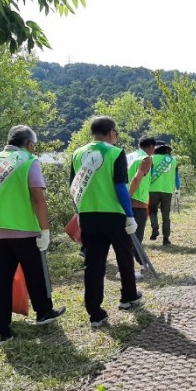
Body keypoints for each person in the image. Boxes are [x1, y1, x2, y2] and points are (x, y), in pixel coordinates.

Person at [0, 125, 66, 344]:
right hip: (24, 229)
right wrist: (45, 229)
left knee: (2, 281)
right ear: (29, 144)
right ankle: (44, 313)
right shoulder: (28, 160)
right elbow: (37, 197)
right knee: (35, 273)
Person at [70, 116, 143, 327]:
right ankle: (128, 297)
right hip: (114, 216)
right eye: (116, 132)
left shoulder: (77, 153)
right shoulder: (115, 152)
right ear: (111, 132)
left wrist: (80, 213)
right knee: (124, 257)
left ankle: (95, 313)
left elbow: (73, 188)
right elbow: (121, 186)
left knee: (93, 265)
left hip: (89, 217)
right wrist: (130, 215)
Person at [126, 135, 157, 276]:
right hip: (137, 203)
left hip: (122, 202)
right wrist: (128, 196)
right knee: (136, 238)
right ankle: (143, 265)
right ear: (151, 147)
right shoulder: (146, 159)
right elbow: (137, 178)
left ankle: (134, 265)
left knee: (127, 237)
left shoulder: (129, 157)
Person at [148, 141, 180, 245]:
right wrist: (178, 188)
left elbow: (150, 174)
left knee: (152, 211)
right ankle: (166, 239)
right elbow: (177, 177)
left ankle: (155, 228)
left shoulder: (152, 159)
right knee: (166, 215)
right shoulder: (173, 160)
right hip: (167, 190)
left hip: (153, 190)